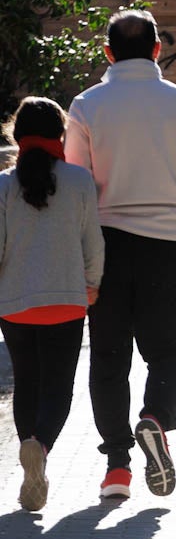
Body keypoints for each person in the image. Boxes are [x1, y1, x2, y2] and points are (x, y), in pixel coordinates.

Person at [65, 9, 176, 500]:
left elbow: (75, 184)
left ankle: (117, 467)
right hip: (171, 245)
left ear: (108, 53)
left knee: (109, 357)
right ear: (158, 49)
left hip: (106, 246)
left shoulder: (86, 105)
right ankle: (155, 417)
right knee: (171, 352)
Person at [1, 98, 103, 511]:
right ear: (61, 135)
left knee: (26, 380)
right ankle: (40, 447)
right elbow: (92, 242)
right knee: (58, 384)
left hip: (14, 304)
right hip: (65, 300)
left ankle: (28, 444)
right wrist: (92, 284)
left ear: (16, 135)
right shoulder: (79, 182)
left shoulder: (4, 185)